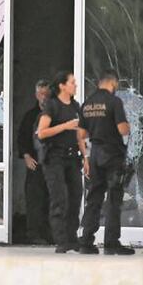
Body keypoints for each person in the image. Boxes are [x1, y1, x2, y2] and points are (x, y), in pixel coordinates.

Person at [77, 70, 134, 255]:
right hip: (112, 154)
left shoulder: (87, 103)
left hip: (95, 154)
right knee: (114, 199)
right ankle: (111, 242)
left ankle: (86, 240)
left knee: (93, 198)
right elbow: (122, 130)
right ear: (113, 83)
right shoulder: (114, 102)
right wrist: (128, 126)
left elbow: (82, 134)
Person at [37, 71, 86, 254]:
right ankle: (61, 240)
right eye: (72, 82)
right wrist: (64, 126)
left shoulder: (75, 106)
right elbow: (41, 133)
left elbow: (79, 134)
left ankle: (73, 238)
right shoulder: (52, 106)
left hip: (73, 157)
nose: (75, 85)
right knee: (59, 198)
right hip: (54, 157)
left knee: (76, 195)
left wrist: (85, 157)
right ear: (62, 86)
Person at [15, 80, 52, 245]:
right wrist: (26, 156)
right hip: (36, 164)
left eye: (46, 94)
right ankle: (34, 235)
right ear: (36, 95)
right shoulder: (30, 116)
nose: (44, 97)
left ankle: (51, 234)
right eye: (41, 94)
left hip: (53, 165)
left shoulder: (56, 113)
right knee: (34, 200)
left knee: (52, 200)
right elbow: (21, 139)